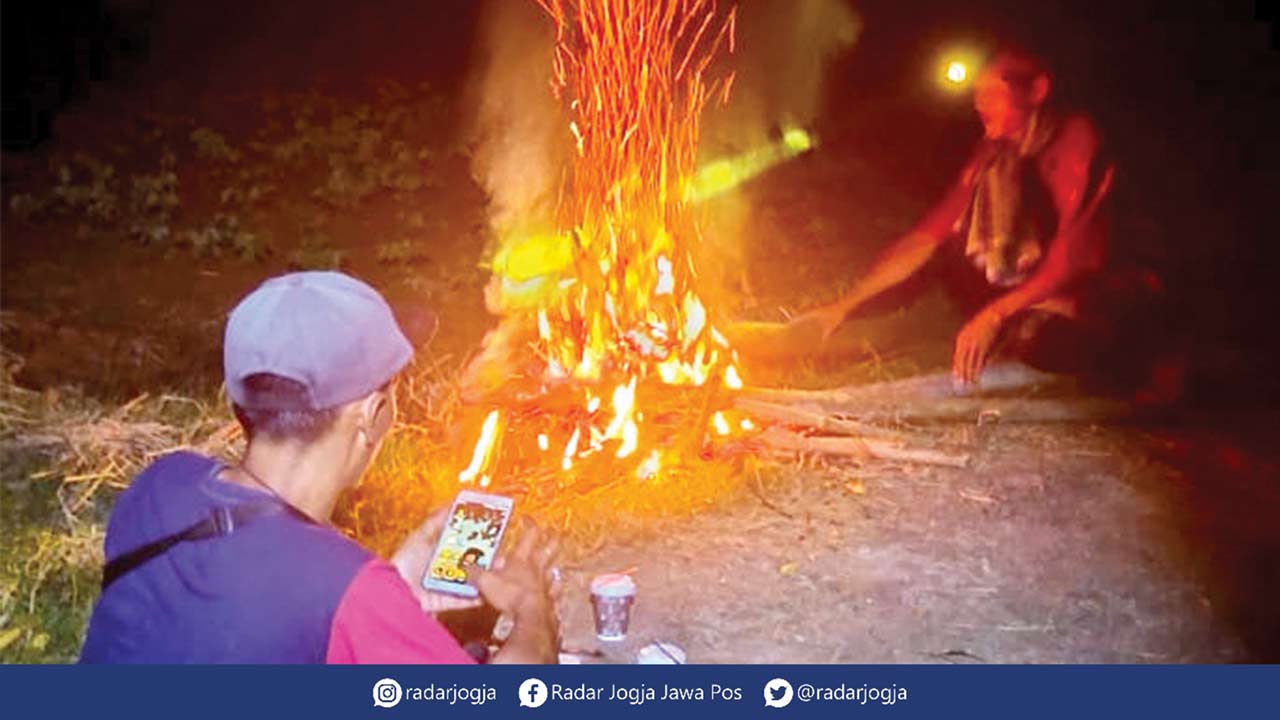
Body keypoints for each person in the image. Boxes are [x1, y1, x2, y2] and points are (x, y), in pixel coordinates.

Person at [80, 271, 560, 663]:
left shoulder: (159, 485)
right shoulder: (345, 592)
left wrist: (390, 588)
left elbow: (238, 618)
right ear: (371, 416)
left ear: (240, 404)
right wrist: (531, 608)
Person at [800, 49, 1173, 397]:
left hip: (1110, 291)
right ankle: (1016, 346)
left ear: (1037, 91)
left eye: (992, 94)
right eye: (977, 95)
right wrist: (845, 304)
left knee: (1048, 342)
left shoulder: (1075, 139)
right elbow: (927, 236)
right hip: (1039, 295)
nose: (980, 105)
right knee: (950, 254)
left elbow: (1076, 256)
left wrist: (995, 314)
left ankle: (1138, 370)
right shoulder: (993, 154)